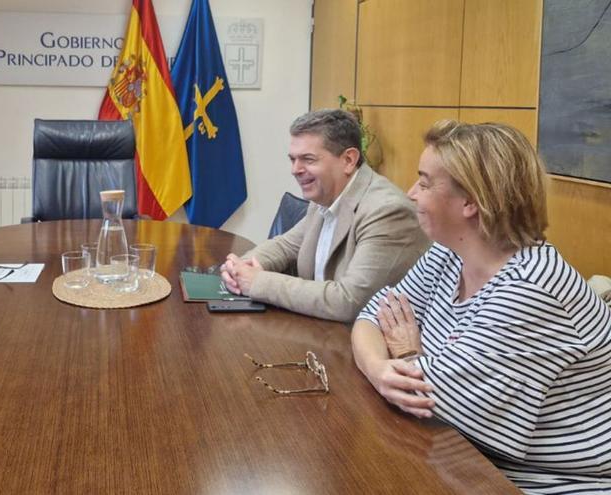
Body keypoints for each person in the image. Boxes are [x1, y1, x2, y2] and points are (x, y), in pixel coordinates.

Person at [352, 120, 611, 493]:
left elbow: (431, 403)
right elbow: (370, 317)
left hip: (554, 480)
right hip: (474, 454)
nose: (411, 193)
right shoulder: (448, 252)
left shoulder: (531, 288)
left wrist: (408, 354)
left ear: (471, 201)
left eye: (425, 183)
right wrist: (380, 368)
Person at [220, 109, 429, 321]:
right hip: (319, 330)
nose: (295, 169)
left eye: (308, 160)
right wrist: (241, 268)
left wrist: (257, 282)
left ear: (348, 160)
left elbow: (348, 302)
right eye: (293, 159)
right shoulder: (326, 194)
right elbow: (286, 245)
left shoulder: (387, 211)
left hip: (361, 343)